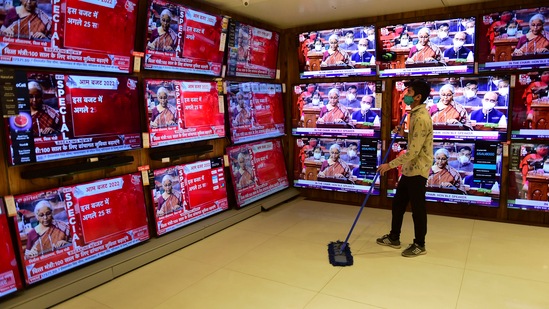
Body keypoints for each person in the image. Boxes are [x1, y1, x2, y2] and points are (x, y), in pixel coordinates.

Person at [377, 80, 433, 257]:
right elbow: (415, 139)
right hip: (409, 169)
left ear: (418, 97)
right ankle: (394, 237)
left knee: (417, 209)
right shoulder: (414, 113)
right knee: (399, 204)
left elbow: (414, 152)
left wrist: (389, 165)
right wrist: (404, 134)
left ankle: (420, 244)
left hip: (418, 169)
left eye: (409, 91)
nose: (405, 94)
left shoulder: (422, 117)